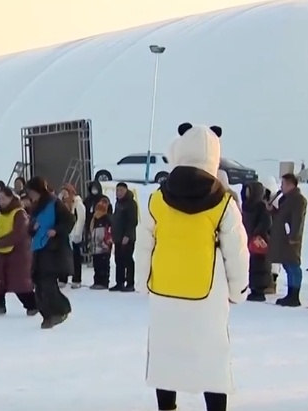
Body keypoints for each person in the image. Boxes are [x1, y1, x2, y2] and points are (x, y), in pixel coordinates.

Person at [137, 122, 248, 411]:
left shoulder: (157, 200)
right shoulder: (222, 203)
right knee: (211, 355)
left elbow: (144, 243)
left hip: (164, 289)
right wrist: (238, 289)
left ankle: (167, 405)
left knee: (166, 351)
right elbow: (236, 250)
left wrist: (141, 281)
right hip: (207, 293)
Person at [25, 176, 73, 329]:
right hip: (38, 247)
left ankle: (60, 310)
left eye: (32, 192)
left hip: (52, 248)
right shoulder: (35, 206)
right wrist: (32, 228)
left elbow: (69, 220)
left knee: (47, 282)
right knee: (38, 282)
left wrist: (56, 231)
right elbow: (30, 228)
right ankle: (47, 314)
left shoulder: (55, 203)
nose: (30, 195)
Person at [0, 187, 38, 316]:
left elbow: (19, 234)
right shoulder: (0, 212)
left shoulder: (19, 213)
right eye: (0, 198)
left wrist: (0, 241)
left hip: (18, 253)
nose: (1, 201)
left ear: (11, 198)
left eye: (4, 198)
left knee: (19, 281)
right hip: (2, 251)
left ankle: (33, 305)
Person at [269, 174, 307, 307]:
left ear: (291, 184)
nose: (281, 186)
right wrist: (273, 211)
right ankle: (290, 293)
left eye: (284, 184)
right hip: (283, 237)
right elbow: (283, 215)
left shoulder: (298, 200)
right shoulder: (287, 199)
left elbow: (298, 219)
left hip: (290, 238)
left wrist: (294, 236)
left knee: (293, 266)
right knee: (287, 265)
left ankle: (294, 295)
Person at [240, 181, 272, 302]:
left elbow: (266, 222)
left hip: (258, 239)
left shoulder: (261, 206)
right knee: (251, 264)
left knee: (260, 265)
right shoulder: (247, 205)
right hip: (248, 238)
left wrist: (256, 233)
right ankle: (253, 287)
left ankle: (259, 290)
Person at [111, 182, 138, 292]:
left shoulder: (131, 204)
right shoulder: (118, 203)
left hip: (127, 237)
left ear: (126, 191)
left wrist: (127, 235)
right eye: (117, 190)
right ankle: (119, 282)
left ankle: (130, 283)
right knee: (118, 260)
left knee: (128, 260)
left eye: (121, 190)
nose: (118, 193)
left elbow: (132, 221)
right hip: (118, 236)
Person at [60, 183, 87, 288]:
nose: (64, 195)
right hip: (64, 234)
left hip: (74, 235)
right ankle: (63, 278)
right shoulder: (62, 204)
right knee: (63, 258)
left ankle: (77, 279)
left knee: (75, 258)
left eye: (66, 192)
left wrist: (77, 234)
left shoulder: (78, 204)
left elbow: (80, 220)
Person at [89, 197, 113, 290]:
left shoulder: (107, 218)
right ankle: (97, 281)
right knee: (96, 263)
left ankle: (104, 282)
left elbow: (110, 230)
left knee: (104, 263)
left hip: (104, 245)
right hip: (95, 245)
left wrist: (108, 240)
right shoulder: (94, 219)